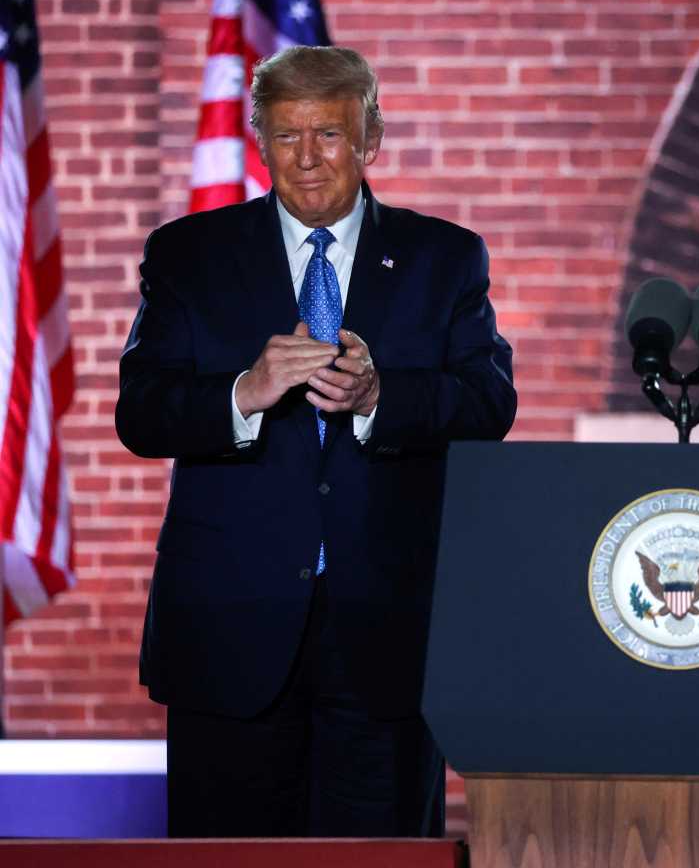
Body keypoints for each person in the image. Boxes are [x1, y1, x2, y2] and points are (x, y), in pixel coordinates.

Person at [116, 45, 516, 837]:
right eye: (288, 135)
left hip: (386, 634)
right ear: (260, 140)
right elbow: (144, 413)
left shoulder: (445, 257)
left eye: (329, 135)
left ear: (370, 139)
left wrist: (381, 397)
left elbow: (488, 402)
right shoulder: (188, 255)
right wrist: (244, 393)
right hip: (231, 629)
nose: (307, 159)